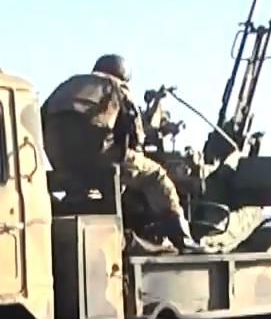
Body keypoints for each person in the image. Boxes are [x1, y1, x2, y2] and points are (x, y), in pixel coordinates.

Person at [40, 54, 199, 250]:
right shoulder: (116, 86)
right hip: (100, 158)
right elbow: (136, 134)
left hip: (59, 161)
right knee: (156, 175)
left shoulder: (67, 85)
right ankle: (183, 237)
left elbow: (38, 119)